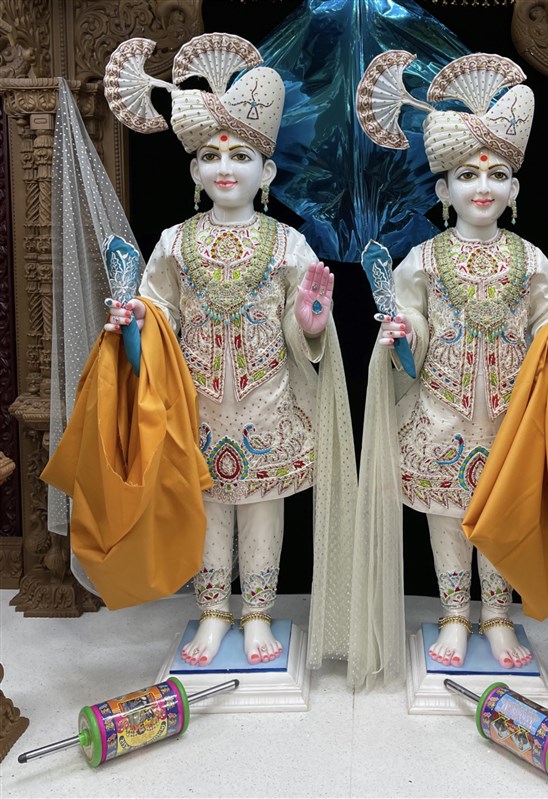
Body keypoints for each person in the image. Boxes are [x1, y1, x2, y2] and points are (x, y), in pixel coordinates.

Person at [102, 33, 356, 669]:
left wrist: (312, 321)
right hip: (197, 405)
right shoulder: (174, 242)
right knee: (208, 507)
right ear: (194, 171)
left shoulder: (287, 244)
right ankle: (215, 611)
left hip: (269, 403)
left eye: (241, 155)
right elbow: (159, 315)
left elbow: (306, 327)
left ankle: (259, 613)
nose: (225, 168)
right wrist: (136, 320)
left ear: (266, 172)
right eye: (211, 156)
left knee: (264, 511)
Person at [351, 51, 548, 679]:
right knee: (447, 519)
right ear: (443, 189)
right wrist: (402, 331)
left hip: (510, 416)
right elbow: (410, 320)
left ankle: (499, 616)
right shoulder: (425, 258)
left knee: (504, 513)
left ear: (514, 189)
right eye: (467, 174)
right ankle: (456, 615)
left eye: (496, 174)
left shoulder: (529, 258)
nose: (482, 187)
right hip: (440, 413)